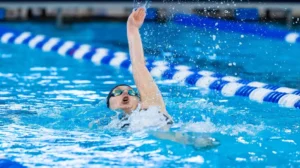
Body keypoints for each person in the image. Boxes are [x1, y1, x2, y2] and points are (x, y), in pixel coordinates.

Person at [91, 7, 219, 149]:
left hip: (180, 145)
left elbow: (138, 65)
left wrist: (132, 28)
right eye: (118, 92)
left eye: (131, 92)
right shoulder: (110, 126)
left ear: (139, 99)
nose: (126, 93)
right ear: (109, 105)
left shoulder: (151, 105)